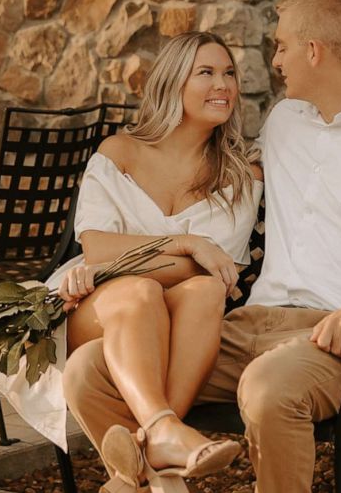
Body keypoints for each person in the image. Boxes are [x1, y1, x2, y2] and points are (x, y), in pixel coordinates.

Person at [64, 0, 341, 493]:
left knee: (268, 388)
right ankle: (154, 478)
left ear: (313, 52)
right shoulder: (284, 123)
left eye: (281, 46)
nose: (274, 61)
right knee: (87, 370)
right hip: (246, 327)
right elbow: (215, 168)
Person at [48, 31, 264, 493]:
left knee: (205, 290)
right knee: (139, 290)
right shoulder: (119, 151)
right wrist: (186, 244)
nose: (222, 84)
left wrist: (187, 257)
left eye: (229, 73)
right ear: (173, 82)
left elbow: (214, 272)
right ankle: (165, 437)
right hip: (93, 300)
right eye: (205, 72)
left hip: (184, 313)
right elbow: (97, 249)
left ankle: (147, 464)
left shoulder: (241, 175)